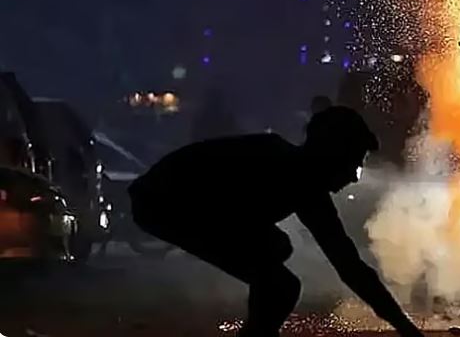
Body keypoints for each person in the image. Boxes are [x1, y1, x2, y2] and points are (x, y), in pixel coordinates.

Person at [128, 106, 423, 337]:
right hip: (163, 202)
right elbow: (350, 267)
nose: (353, 177)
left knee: (276, 256)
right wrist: (407, 329)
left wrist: (405, 328)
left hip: (166, 200)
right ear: (333, 153)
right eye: (354, 163)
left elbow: (349, 266)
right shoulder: (281, 168)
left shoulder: (300, 178)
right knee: (280, 281)